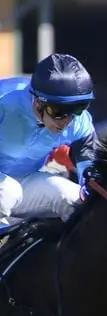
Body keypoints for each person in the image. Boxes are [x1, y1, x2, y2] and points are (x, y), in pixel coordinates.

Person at [0, 53, 98, 226]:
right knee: (7, 193)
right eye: (58, 111)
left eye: (77, 108)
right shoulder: (5, 102)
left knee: (77, 201)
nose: (67, 121)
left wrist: (92, 186)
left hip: (24, 181)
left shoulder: (78, 123)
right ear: (38, 103)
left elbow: (90, 168)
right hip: (8, 191)